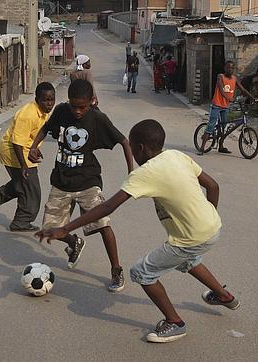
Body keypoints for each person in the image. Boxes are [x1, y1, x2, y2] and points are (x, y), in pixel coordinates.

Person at [37, 119, 238, 343]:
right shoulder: (177, 155)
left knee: (142, 272)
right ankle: (224, 295)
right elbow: (213, 186)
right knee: (187, 260)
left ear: (141, 148)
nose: (132, 153)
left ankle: (175, 323)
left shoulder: (146, 173)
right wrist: (208, 215)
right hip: (213, 226)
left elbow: (107, 206)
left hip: (192, 238)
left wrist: (65, 228)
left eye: (132, 148)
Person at [28, 79, 134, 292]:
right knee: (49, 228)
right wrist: (32, 147)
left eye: (82, 107)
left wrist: (132, 172)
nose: (77, 111)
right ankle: (73, 243)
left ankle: (116, 269)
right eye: (74, 106)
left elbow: (124, 141)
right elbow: (45, 129)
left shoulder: (97, 118)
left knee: (103, 224)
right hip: (61, 180)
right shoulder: (60, 112)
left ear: (91, 102)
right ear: (68, 102)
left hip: (88, 181)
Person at [0, 82, 56, 231]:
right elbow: (17, 142)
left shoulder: (43, 112)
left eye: (51, 100)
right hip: (14, 152)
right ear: (37, 99)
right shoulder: (28, 115)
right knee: (32, 190)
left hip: (26, 151)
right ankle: (20, 222)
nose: (49, 104)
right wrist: (23, 165)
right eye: (45, 100)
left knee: (21, 185)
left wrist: (34, 148)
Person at [200, 61, 253, 154]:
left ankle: (221, 146)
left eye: (232, 68)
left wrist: (252, 97)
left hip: (225, 106)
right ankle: (202, 147)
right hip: (216, 105)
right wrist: (228, 98)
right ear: (225, 68)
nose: (230, 70)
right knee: (211, 125)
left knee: (224, 127)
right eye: (228, 68)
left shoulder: (234, 79)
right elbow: (220, 89)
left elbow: (243, 89)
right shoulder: (220, 76)